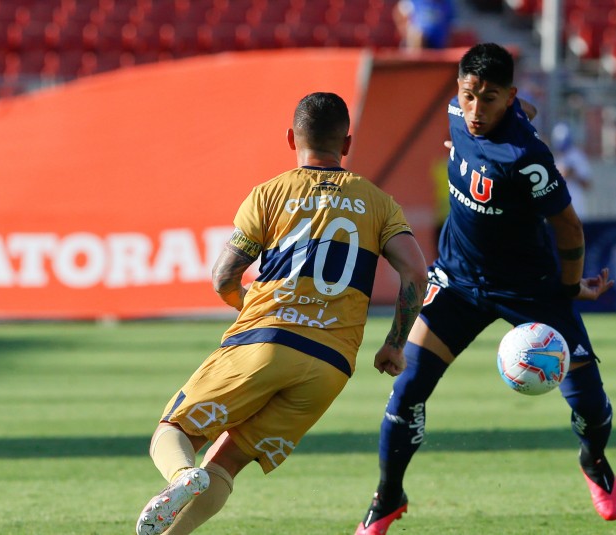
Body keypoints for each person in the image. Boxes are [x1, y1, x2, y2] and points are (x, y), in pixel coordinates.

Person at [355, 43, 616, 535]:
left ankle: (594, 460)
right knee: (408, 388)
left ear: (510, 96)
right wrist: (507, 114)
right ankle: (388, 495)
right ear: (460, 89)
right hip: (458, 280)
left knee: (589, 403)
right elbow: (520, 109)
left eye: (491, 99)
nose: (476, 110)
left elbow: (570, 228)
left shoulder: (527, 158)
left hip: (531, 290)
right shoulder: (458, 111)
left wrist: (567, 288)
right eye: (470, 94)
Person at [134, 92, 428, 535]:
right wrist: (394, 344)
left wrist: (244, 306)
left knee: (173, 433)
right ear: (346, 144)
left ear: (292, 138)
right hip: (330, 366)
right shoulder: (379, 203)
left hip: (265, 341)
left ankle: (180, 476)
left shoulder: (269, 194)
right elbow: (415, 272)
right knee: (228, 464)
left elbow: (223, 276)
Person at [550, 121, 593, 220]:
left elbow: (588, 184)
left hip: (577, 209)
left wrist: (573, 174)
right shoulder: (551, 157)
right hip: (558, 210)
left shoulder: (577, 156)